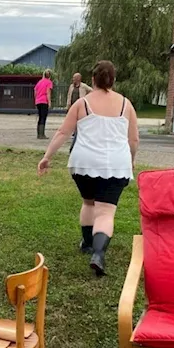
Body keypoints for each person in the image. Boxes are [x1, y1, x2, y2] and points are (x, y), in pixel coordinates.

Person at [36, 60, 138, 277]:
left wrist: (47, 157)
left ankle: (87, 243)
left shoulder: (82, 104)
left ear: (92, 79)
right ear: (113, 79)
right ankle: (98, 254)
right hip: (115, 165)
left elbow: (63, 133)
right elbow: (134, 140)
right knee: (106, 211)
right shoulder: (126, 105)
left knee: (88, 202)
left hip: (83, 164)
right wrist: (131, 159)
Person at [66, 72, 93, 150]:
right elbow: (69, 95)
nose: (73, 79)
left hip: (81, 106)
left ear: (78, 79)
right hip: (72, 105)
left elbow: (92, 91)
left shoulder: (83, 86)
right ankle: (75, 132)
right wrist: (68, 104)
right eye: (73, 78)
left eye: (74, 78)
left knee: (80, 120)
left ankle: (78, 133)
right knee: (73, 120)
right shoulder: (71, 86)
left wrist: (87, 98)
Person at [33, 70, 54, 139]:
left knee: (40, 117)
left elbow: (35, 91)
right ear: (50, 76)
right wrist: (49, 102)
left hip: (38, 101)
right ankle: (42, 134)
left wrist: (36, 99)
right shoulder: (49, 82)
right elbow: (48, 92)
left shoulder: (39, 82)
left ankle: (38, 134)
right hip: (44, 101)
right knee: (43, 117)